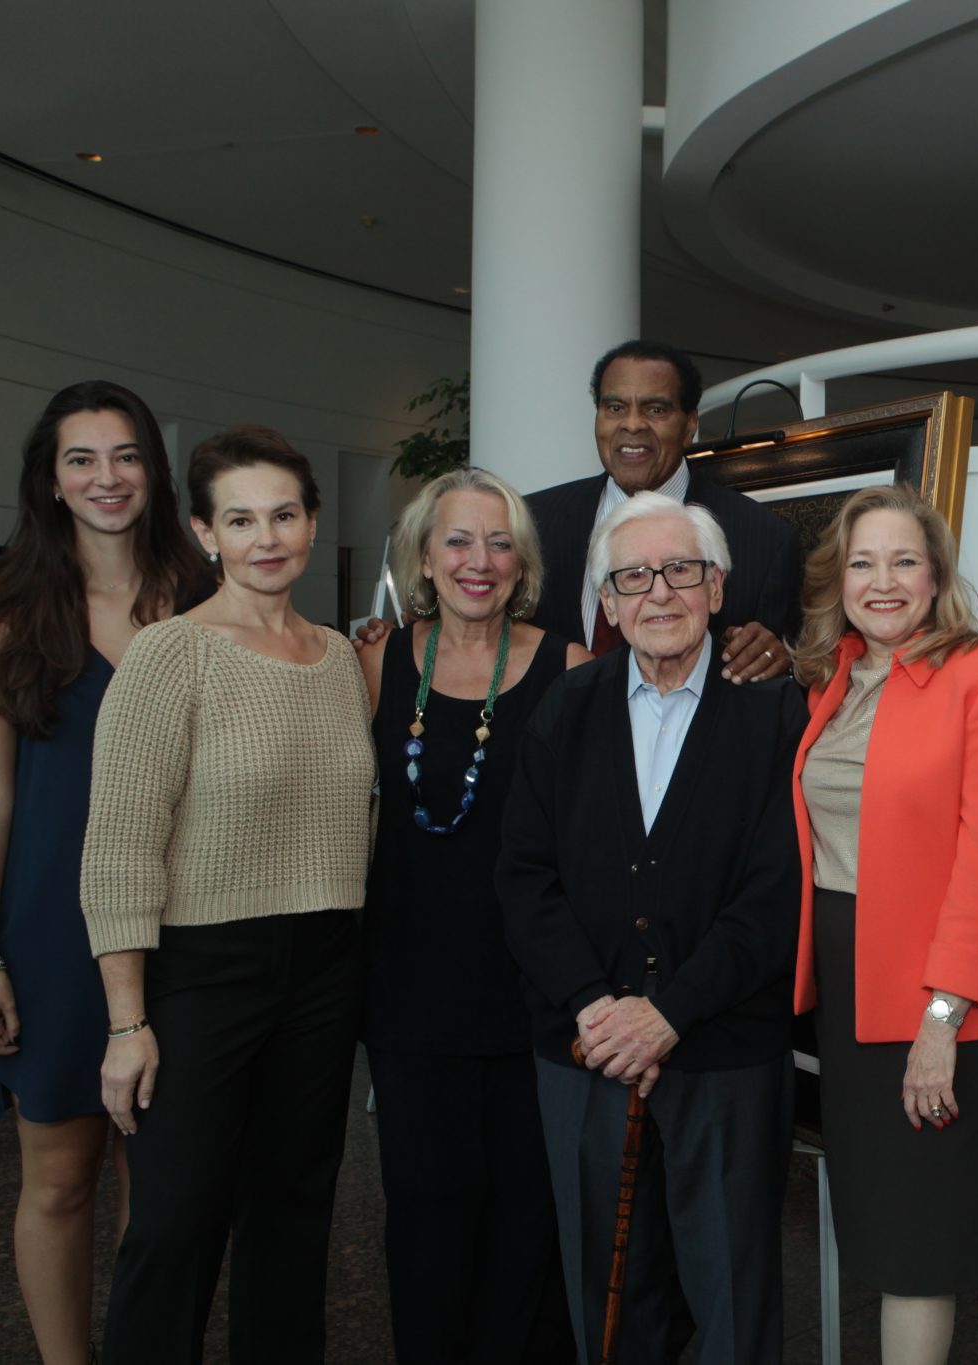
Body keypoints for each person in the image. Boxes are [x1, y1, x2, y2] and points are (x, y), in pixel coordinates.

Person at [81, 426, 375, 1363]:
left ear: (313, 521)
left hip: (326, 963)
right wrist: (128, 1022)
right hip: (202, 968)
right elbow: (120, 847)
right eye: (240, 518)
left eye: (283, 513)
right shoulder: (170, 654)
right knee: (174, 1224)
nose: (266, 536)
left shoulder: (339, 660)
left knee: (295, 1208)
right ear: (205, 532)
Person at [499, 491, 804, 1365]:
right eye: (633, 576)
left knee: (733, 1294)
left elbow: (775, 892)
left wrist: (670, 1010)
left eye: (680, 571)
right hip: (586, 1046)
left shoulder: (775, 711)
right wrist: (595, 1003)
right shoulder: (569, 705)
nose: (658, 592)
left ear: (716, 588)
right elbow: (524, 876)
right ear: (607, 600)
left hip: (724, 1050)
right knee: (607, 1292)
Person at [0, 380, 211, 1364]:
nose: (107, 478)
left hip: (188, 923)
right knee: (60, 1178)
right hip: (52, 934)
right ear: (50, 481)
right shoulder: (2, 617)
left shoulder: (205, 599)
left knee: (165, 1188)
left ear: (153, 469)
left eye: (126, 455)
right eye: (81, 459)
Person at [788, 485, 978, 1365]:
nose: (881, 580)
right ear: (837, 578)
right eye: (862, 562)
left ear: (936, 576)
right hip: (850, 985)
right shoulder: (834, 680)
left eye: (903, 560)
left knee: (921, 1249)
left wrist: (943, 1017)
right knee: (883, 1233)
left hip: (938, 992)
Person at [358, 466, 587, 1362]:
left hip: (530, 987)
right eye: (458, 539)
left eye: (499, 542)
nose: (478, 560)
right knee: (423, 1204)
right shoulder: (376, 658)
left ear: (522, 560)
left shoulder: (570, 666)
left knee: (526, 1211)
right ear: (423, 554)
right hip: (409, 985)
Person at [526, 339, 800, 681]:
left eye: (656, 409)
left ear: (690, 425)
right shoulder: (533, 525)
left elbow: (791, 669)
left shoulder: (764, 540)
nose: (633, 424)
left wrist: (779, 657)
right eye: (615, 408)